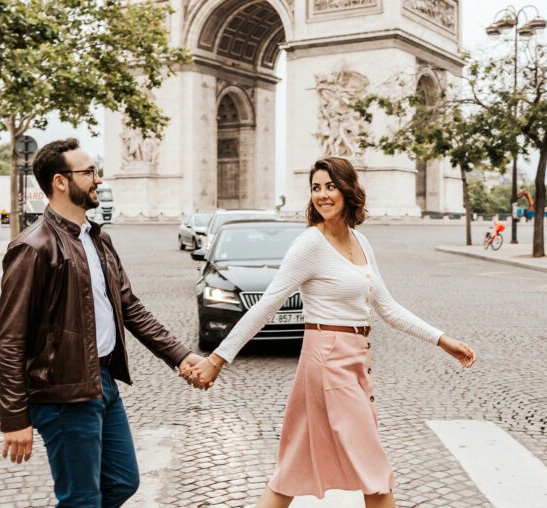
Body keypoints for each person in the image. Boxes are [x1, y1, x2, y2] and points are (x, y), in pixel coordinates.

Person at [189, 157, 477, 508]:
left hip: (354, 360)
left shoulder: (360, 242)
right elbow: (266, 306)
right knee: (375, 473)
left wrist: (441, 338)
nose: (322, 195)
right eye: (315, 188)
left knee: (292, 471)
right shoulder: (310, 244)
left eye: (330, 186)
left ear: (348, 189)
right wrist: (217, 360)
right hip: (329, 361)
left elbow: (386, 307)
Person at [0, 138, 206, 508]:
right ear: (60, 182)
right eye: (89, 172)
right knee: (81, 498)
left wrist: (179, 355)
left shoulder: (98, 238)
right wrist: (14, 417)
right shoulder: (33, 247)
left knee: (123, 482)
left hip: (101, 382)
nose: (99, 180)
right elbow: (10, 339)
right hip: (62, 393)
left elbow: (129, 306)